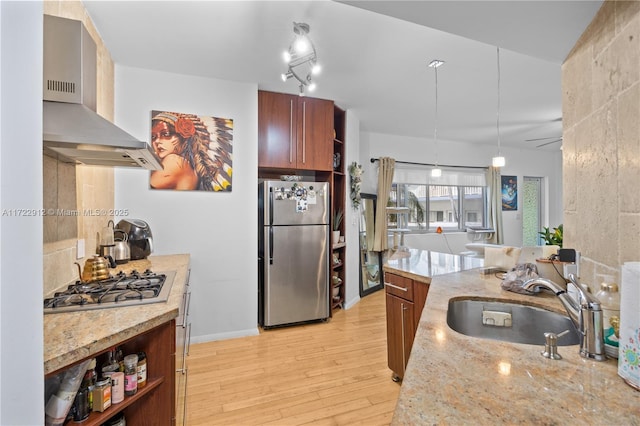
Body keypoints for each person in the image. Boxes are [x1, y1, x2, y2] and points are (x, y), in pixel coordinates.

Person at [150, 111, 233, 191]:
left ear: (183, 137)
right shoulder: (190, 167)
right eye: (153, 137)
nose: (157, 141)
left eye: (166, 134)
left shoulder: (174, 161)